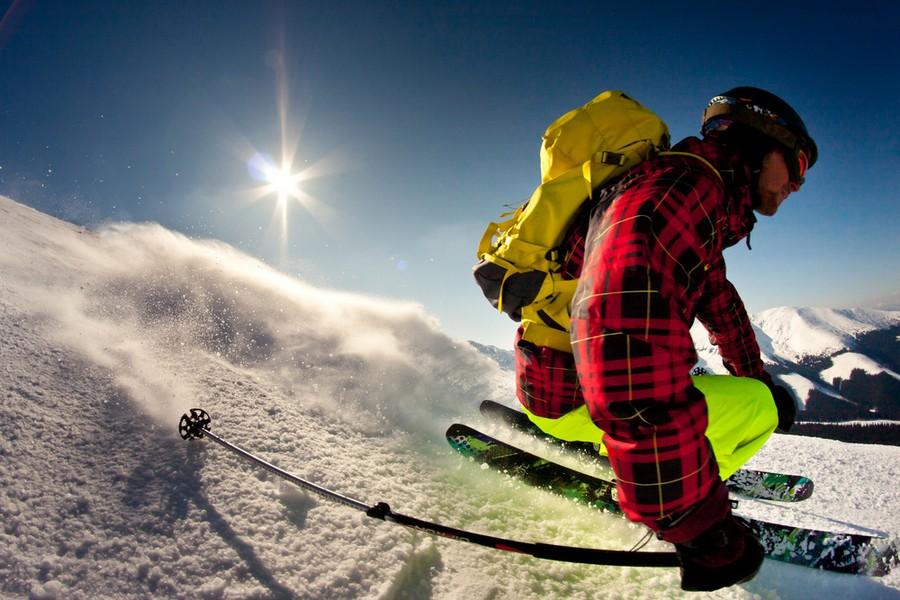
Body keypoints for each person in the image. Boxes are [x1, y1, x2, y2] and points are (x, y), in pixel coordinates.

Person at [513, 87, 815, 591]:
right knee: (758, 408)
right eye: (799, 165)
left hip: (556, 389)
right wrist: (694, 523)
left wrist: (755, 372)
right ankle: (672, 482)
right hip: (575, 401)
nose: (797, 185)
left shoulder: (691, 194)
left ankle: (649, 462)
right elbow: (621, 337)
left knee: (752, 392)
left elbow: (719, 300)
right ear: (759, 143)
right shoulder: (681, 188)